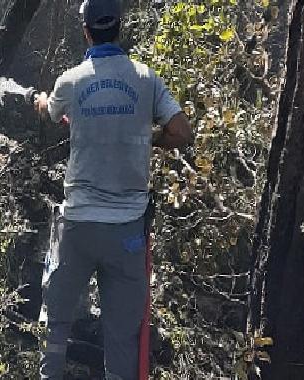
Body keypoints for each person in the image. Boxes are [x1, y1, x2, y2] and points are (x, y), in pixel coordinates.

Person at [33, 0, 192, 379]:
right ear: (120, 28)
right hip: (127, 235)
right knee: (122, 338)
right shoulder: (146, 78)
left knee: (56, 322)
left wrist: (36, 100)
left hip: (79, 229)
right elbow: (182, 133)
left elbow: (51, 112)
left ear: (86, 31)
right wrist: (147, 136)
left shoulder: (71, 81)